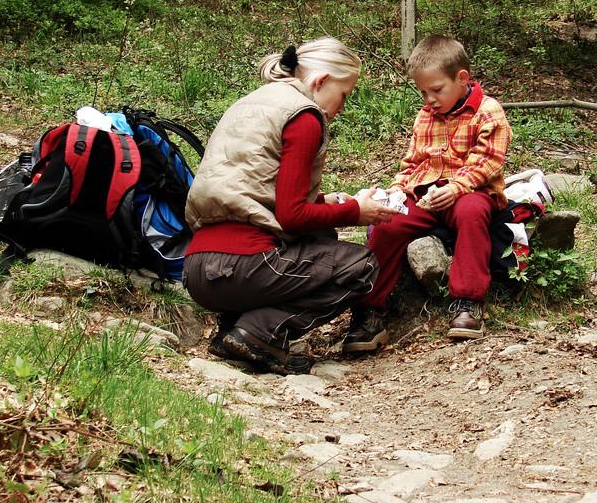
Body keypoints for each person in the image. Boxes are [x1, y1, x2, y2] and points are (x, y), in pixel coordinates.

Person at [183, 37, 397, 374]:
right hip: (245, 266)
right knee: (360, 266)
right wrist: (357, 212)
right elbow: (292, 216)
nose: (341, 108)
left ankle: (232, 331)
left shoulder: (253, 102)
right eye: (344, 95)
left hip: (198, 269)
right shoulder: (303, 117)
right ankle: (259, 333)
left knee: (323, 232)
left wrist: (328, 203)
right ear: (321, 80)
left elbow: (253, 192)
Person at [342, 35, 512, 352]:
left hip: (471, 191)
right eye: (423, 91)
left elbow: (489, 160)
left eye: (436, 90)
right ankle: (370, 310)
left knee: (471, 212)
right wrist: (395, 190)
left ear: (462, 79)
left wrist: (457, 187)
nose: (429, 99)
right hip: (426, 194)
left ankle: (467, 302)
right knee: (387, 223)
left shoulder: (488, 111)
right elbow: (413, 161)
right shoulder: (426, 115)